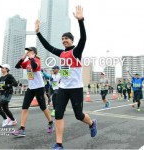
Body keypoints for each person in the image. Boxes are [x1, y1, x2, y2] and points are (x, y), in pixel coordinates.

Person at [35, 5, 97, 149]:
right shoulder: (61, 54)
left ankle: (92, 123)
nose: (64, 40)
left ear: (71, 40)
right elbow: (47, 46)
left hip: (75, 88)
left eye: (66, 38)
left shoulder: (76, 52)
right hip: (63, 88)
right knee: (58, 114)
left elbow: (84, 38)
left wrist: (81, 21)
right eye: (62, 39)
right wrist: (38, 33)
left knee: (79, 115)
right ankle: (59, 144)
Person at [12, 47, 54, 137]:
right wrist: (24, 57)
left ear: (34, 52)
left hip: (39, 87)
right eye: (27, 51)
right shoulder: (27, 62)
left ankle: (50, 122)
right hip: (31, 88)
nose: (28, 52)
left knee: (43, 107)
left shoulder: (37, 60)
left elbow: (35, 67)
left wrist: (31, 58)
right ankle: (22, 129)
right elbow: (17, 66)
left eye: (29, 50)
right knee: (24, 107)